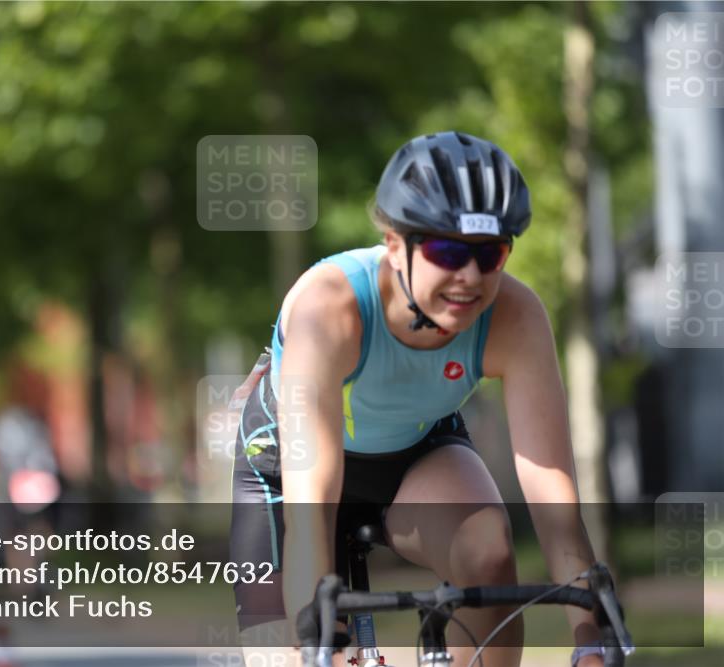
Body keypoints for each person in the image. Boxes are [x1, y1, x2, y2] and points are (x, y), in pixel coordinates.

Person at [229, 132, 607, 667]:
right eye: (447, 251)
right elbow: (311, 503)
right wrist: (316, 646)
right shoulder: (329, 310)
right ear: (393, 244)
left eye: (490, 254)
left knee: (488, 551)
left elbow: (553, 498)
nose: (470, 276)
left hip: (413, 454)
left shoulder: (516, 318)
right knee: (292, 657)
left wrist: (590, 637)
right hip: (288, 473)